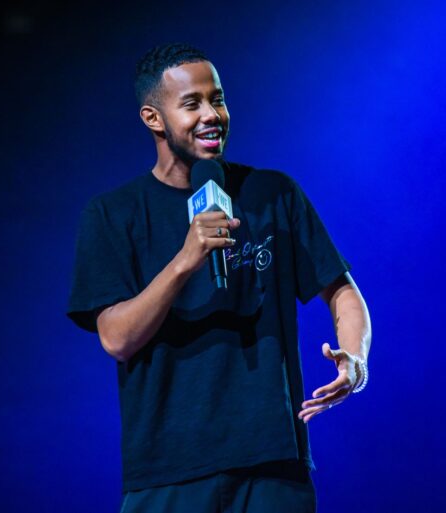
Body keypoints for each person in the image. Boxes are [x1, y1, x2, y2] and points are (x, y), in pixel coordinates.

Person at [67, 43, 371, 513]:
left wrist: (355, 358)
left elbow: (341, 290)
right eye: (192, 104)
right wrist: (185, 260)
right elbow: (116, 339)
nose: (212, 114)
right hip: (169, 471)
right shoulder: (113, 214)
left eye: (218, 99)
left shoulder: (273, 193)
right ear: (153, 118)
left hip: (273, 463)